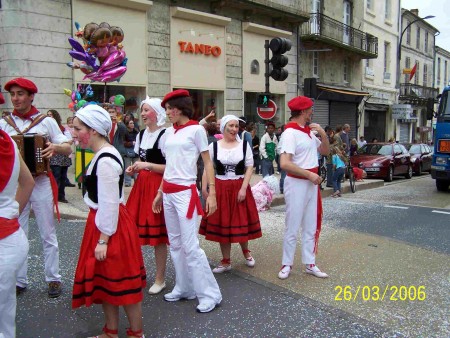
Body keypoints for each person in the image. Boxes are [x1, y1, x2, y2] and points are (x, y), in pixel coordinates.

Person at [72, 105, 146, 338]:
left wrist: (103, 239)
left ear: (93, 130)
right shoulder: (104, 153)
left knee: (122, 283)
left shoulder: (105, 160)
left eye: (77, 128)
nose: (73, 133)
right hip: (106, 222)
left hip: (109, 226)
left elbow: (109, 203)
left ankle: (136, 333)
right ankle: (111, 332)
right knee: (108, 283)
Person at [0, 78, 71, 298]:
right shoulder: (4, 123)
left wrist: (55, 147)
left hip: (40, 183)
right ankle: (19, 279)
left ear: (31, 96)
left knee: (47, 232)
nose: (15, 99)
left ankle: (53, 278)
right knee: (16, 230)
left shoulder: (46, 122)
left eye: (20, 94)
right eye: (13, 94)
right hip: (15, 187)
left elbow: (68, 147)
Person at [152, 89, 222, 313]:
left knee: (191, 247)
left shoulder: (196, 130)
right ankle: (184, 287)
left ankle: (210, 294)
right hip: (170, 193)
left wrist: (211, 193)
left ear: (181, 107)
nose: (168, 112)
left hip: (185, 193)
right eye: (167, 109)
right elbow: (170, 166)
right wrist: (160, 192)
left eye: (171, 108)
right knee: (175, 244)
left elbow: (208, 163)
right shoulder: (168, 133)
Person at [199, 115, 262, 274]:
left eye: (236, 126)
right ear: (224, 128)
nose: (234, 129)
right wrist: (204, 187)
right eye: (231, 126)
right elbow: (209, 167)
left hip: (239, 185)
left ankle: (246, 252)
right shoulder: (214, 146)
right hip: (220, 186)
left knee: (241, 220)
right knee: (223, 223)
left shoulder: (244, 145)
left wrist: (243, 188)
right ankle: (226, 260)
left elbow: (249, 167)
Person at [277, 95, 330, 280]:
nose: (312, 112)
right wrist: (309, 174)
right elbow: (284, 163)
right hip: (298, 182)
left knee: (310, 225)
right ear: (303, 111)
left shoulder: (308, 132)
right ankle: (286, 264)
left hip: (310, 183)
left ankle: (310, 262)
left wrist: (322, 134)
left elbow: (325, 151)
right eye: (310, 109)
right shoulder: (290, 133)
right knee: (292, 225)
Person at [125, 97, 169, 296]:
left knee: (158, 236)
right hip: (141, 185)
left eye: (146, 110)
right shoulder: (142, 134)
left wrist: (147, 166)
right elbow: (141, 160)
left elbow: (170, 168)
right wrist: (135, 167)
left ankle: (160, 277)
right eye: (142, 110)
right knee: (132, 231)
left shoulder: (166, 135)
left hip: (158, 186)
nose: (142, 114)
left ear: (157, 113)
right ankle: (136, 272)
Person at [0, 117, 34, 338]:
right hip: (11, 237)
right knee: (5, 310)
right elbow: (27, 181)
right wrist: (9, 214)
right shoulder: (9, 141)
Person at [47, 110, 74, 203]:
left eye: (51, 115)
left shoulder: (62, 128)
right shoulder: (47, 128)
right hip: (54, 157)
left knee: (63, 177)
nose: (50, 117)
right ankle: (54, 195)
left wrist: (63, 144)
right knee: (55, 176)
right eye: (48, 115)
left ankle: (61, 196)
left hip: (63, 156)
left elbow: (70, 140)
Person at [123, 119, 140, 187]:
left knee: (136, 166)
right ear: (127, 125)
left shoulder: (136, 132)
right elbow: (123, 142)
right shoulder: (125, 132)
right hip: (127, 152)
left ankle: (137, 180)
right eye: (130, 123)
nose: (132, 124)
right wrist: (131, 143)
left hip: (135, 152)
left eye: (133, 123)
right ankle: (127, 182)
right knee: (127, 167)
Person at [64, 116, 76, 187]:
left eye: (72, 123)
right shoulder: (66, 129)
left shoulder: (75, 129)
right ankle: (66, 180)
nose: (71, 124)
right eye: (69, 123)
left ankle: (66, 180)